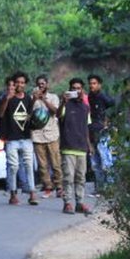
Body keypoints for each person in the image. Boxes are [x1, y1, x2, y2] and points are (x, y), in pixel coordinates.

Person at [0, 71, 39, 205]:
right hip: (12, 139)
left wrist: (35, 101)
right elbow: (0, 114)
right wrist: (7, 98)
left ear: (25, 84)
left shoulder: (28, 98)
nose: (20, 85)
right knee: (13, 166)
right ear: (14, 84)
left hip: (26, 137)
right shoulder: (7, 98)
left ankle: (32, 193)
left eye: (22, 82)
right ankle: (13, 193)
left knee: (29, 165)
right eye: (17, 82)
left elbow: (29, 114)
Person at [58, 78, 93, 215]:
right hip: (68, 146)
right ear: (70, 90)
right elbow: (58, 116)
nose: (76, 91)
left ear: (82, 90)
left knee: (81, 177)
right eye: (73, 88)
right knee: (68, 177)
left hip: (82, 147)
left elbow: (86, 127)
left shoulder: (85, 107)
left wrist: (89, 145)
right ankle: (67, 203)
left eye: (78, 88)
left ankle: (79, 203)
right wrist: (63, 102)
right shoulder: (66, 105)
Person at [31, 74, 62, 198]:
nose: (40, 86)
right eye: (38, 84)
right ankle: (48, 187)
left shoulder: (53, 97)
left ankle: (59, 186)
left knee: (56, 162)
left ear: (47, 85)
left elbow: (56, 111)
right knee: (42, 164)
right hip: (37, 135)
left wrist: (44, 99)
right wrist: (34, 99)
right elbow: (28, 112)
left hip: (52, 134)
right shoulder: (31, 98)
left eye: (42, 83)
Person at [87, 74, 116, 194]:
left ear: (99, 84)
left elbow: (113, 107)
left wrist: (108, 122)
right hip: (92, 132)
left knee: (106, 161)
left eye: (94, 83)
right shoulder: (89, 97)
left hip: (103, 133)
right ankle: (100, 188)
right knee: (95, 163)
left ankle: (110, 189)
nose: (91, 85)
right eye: (90, 83)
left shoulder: (103, 97)